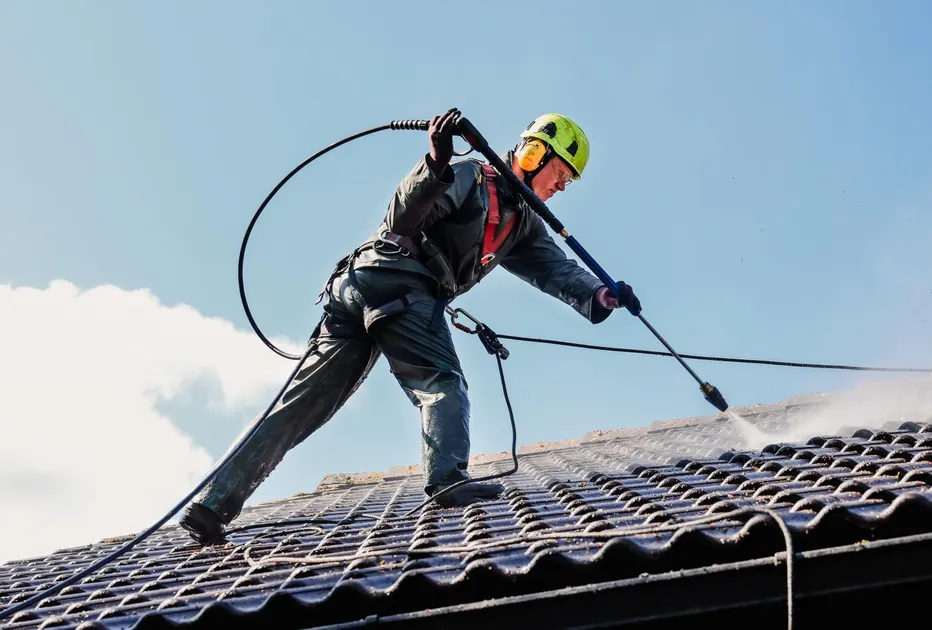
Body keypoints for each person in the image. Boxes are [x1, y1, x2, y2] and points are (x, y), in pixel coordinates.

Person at [179, 109, 639, 544]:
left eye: (566, 183)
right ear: (534, 154)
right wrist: (436, 163)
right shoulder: (471, 177)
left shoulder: (522, 225)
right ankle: (447, 480)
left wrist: (602, 293)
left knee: (300, 407)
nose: (559, 188)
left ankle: (213, 505)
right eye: (559, 175)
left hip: (360, 287)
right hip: (398, 282)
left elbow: (556, 270)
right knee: (440, 380)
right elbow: (403, 216)